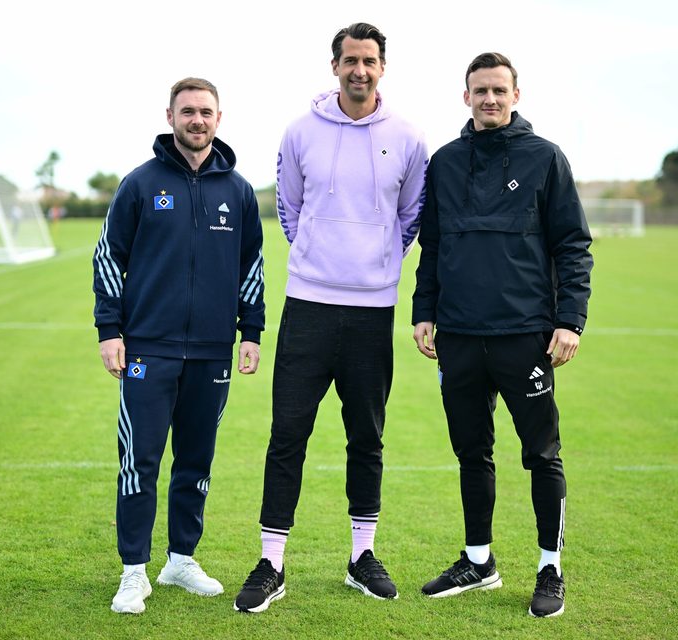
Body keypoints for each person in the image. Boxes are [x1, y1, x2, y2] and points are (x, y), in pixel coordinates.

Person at [233, 22, 428, 613]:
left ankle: (360, 557)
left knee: (366, 437)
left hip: (371, 313)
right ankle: (272, 563)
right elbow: (289, 208)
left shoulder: (409, 137)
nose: (360, 70)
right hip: (309, 306)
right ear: (334, 64)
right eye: (350, 60)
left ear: (383, 67)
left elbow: (412, 214)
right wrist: (317, 258)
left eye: (370, 61)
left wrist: (378, 263)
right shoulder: (300, 131)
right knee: (287, 434)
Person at [410, 52, 593, 618]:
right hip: (460, 336)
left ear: (516, 96)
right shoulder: (443, 162)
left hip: (524, 336)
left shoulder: (545, 159)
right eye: (479, 91)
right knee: (472, 453)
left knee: (542, 455)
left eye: (498, 90)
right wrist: (424, 309)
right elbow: (433, 246)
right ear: (465, 97)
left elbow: (573, 245)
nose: (489, 99)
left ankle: (550, 568)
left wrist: (571, 320)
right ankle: (479, 560)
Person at [92, 77, 265, 615]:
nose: (197, 120)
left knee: (196, 460)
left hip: (213, 351)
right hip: (148, 348)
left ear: (220, 117)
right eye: (188, 111)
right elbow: (108, 257)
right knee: (139, 459)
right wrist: (109, 330)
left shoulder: (236, 190)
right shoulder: (140, 184)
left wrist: (251, 332)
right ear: (170, 115)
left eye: (206, 112)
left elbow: (252, 266)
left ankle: (180, 559)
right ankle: (133, 572)